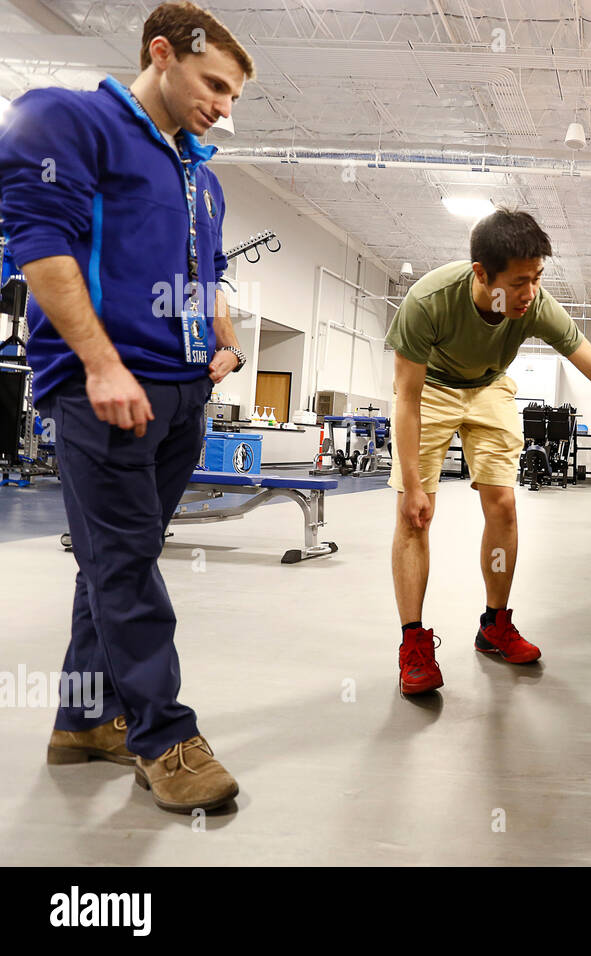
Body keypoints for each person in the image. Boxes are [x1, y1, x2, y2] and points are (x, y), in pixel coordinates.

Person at [0, 2, 255, 813]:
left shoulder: (200, 176)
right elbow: (38, 243)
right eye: (215, 84)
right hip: (106, 387)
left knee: (119, 556)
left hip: (184, 392)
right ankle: (164, 736)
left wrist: (222, 331)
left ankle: (83, 720)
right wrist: (100, 365)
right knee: (128, 565)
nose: (223, 105)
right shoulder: (68, 121)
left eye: (234, 97)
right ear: (162, 53)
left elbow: (209, 272)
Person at [386, 209, 591, 693]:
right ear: (482, 274)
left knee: (503, 504)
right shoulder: (428, 301)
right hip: (431, 389)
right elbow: (407, 398)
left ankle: (494, 625)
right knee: (414, 515)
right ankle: (413, 645)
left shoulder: (536, 306)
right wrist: (413, 484)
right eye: (519, 281)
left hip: (489, 387)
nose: (530, 293)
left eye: (537, 279)